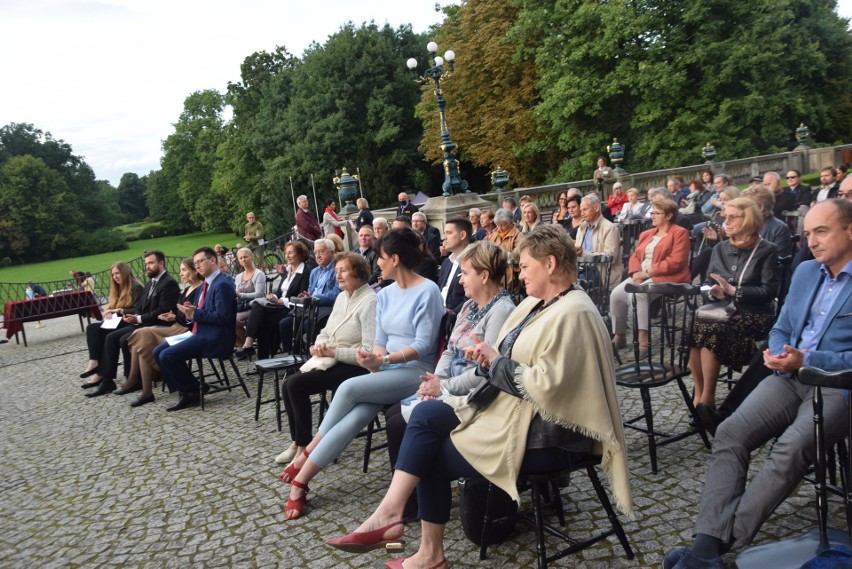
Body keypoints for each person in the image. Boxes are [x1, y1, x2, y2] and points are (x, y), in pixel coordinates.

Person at [325, 225, 632, 568]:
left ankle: (421, 546)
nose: (520, 273)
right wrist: (487, 359)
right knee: (424, 418)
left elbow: (548, 386)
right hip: (519, 416)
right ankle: (394, 517)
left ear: (550, 264)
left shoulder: (573, 312)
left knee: (428, 454)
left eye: (526, 266)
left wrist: (494, 361)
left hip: (550, 438)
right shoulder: (539, 304)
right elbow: (511, 360)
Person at [664, 198, 852, 569]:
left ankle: (715, 547)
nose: (811, 241)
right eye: (808, 233)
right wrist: (779, 350)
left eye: (822, 231)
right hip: (788, 376)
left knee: (790, 448)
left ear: (849, 230)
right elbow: (782, 325)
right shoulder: (807, 272)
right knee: (731, 432)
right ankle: (707, 547)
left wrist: (809, 359)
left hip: (838, 385)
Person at [278, 228, 444, 520]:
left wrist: (383, 359)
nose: (377, 264)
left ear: (395, 258)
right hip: (388, 368)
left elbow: (423, 344)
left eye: (380, 258)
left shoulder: (427, 289)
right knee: (355, 416)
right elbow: (379, 338)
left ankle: (306, 454)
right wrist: (374, 361)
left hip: (418, 370)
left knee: (348, 389)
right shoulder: (387, 293)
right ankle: (301, 483)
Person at [385, 239, 515, 471]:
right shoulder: (469, 306)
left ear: (484, 276)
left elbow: (487, 372)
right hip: (451, 387)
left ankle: (412, 495)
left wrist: (444, 388)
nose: (459, 279)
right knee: (393, 413)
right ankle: (413, 488)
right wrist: (437, 381)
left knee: (398, 424)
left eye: (465, 273)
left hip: (475, 397)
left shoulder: (501, 310)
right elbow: (449, 350)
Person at [275, 253, 377, 465]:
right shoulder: (342, 297)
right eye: (336, 270)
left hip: (356, 365)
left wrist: (334, 353)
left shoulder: (370, 301)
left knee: (295, 384)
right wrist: (319, 344)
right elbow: (327, 331)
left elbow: (370, 351)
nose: (337, 275)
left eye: (343, 270)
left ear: (358, 272)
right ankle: (297, 442)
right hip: (331, 358)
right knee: (288, 383)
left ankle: (304, 447)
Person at [689, 198, 779, 412]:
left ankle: (706, 399)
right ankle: (700, 395)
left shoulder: (767, 250)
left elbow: (770, 292)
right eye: (724, 217)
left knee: (712, 329)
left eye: (732, 217)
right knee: (695, 327)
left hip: (755, 314)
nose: (725, 222)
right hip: (721, 310)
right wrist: (714, 292)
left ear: (748, 219)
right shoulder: (719, 248)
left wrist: (734, 291)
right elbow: (708, 285)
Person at [84, 251, 182, 398]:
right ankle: (107, 380)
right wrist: (134, 316)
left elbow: (162, 310)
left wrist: (138, 319)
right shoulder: (151, 283)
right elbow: (142, 308)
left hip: (159, 325)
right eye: (146, 264)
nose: (147, 266)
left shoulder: (169, 283)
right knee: (110, 337)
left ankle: (133, 379)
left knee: (123, 338)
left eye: (151, 263)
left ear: (161, 264)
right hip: (144, 322)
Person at [153, 247, 237, 412]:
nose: (197, 266)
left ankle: (191, 392)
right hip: (199, 332)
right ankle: (191, 388)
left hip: (216, 337)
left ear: (212, 260)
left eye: (200, 261)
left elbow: (224, 317)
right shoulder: (204, 285)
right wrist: (187, 314)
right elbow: (197, 315)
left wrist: (195, 313)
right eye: (195, 263)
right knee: (157, 352)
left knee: (167, 355)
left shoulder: (222, 285)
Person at [610, 199, 691, 354]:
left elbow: (676, 262)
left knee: (640, 293)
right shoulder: (646, 234)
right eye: (652, 212)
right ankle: (619, 336)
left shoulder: (680, 233)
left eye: (656, 213)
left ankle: (643, 341)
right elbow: (635, 256)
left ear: (668, 216)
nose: (652, 216)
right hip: (642, 275)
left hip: (670, 277)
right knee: (616, 295)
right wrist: (635, 273)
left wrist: (647, 273)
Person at [122, 258, 203, 407]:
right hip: (176, 325)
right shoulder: (187, 289)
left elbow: (192, 316)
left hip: (185, 329)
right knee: (142, 336)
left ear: (194, 271)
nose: (181, 274)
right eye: (180, 270)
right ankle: (145, 389)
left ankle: (144, 385)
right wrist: (173, 316)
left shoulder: (200, 289)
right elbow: (179, 312)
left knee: (143, 335)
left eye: (184, 270)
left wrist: (175, 316)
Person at [235, 240, 313, 360]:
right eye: (286, 253)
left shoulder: (305, 272)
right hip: (279, 306)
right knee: (259, 311)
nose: (287, 256)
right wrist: (273, 296)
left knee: (261, 316)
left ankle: (252, 347)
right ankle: (257, 355)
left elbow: (301, 297)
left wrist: (281, 301)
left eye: (290, 253)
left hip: (292, 308)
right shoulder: (287, 270)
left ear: (299, 254)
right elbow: (280, 292)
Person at [80, 262, 144, 389]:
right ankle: (95, 364)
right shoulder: (118, 287)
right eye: (113, 274)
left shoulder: (136, 286)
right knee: (92, 328)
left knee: (106, 335)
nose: (115, 276)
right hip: (117, 321)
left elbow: (139, 310)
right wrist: (108, 313)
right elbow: (112, 308)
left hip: (130, 321)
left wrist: (119, 311)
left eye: (117, 273)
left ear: (124, 273)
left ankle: (101, 374)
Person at [278, 239, 340, 355]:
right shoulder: (315, 271)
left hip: (326, 308)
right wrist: (307, 295)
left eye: (322, 252)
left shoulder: (336, 269)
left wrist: (314, 297)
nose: (318, 255)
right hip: (310, 307)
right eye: (316, 252)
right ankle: (292, 355)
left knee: (307, 324)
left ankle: (309, 355)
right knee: (285, 324)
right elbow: (311, 291)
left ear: (332, 252)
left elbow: (336, 294)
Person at [575, 194, 623, 287]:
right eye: (581, 210)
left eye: (585, 209)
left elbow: (610, 256)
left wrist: (583, 254)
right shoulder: (581, 228)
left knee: (575, 283)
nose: (582, 213)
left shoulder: (610, 228)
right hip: (582, 269)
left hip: (601, 273)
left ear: (596, 208)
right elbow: (577, 251)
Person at [437, 218, 472, 313]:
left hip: (458, 317)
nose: (443, 237)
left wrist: (451, 315)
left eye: (448, 233)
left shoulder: (474, 262)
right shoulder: (446, 262)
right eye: (444, 233)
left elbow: (472, 298)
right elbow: (440, 289)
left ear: (462, 235)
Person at [234, 247, 267, 346]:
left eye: (245, 257)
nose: (243, 260)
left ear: (251, 257)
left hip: (255, 307)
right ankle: (243, 345)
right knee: (226, 319)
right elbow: (236, 293)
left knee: (233, 320)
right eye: (240, 258)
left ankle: (246, 346)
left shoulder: (259, 274)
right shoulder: (239, 276)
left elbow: (259, 294)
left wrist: (241, 295)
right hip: (242, 307)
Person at [488, 208, 523, 290]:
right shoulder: (493, 235)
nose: (500, 228)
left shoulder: (518, 236)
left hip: (510, 276)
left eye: (503, 225)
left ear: (511, 222)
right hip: (494, 273)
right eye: (497, 224)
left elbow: (519, 255)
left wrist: (503, 253)